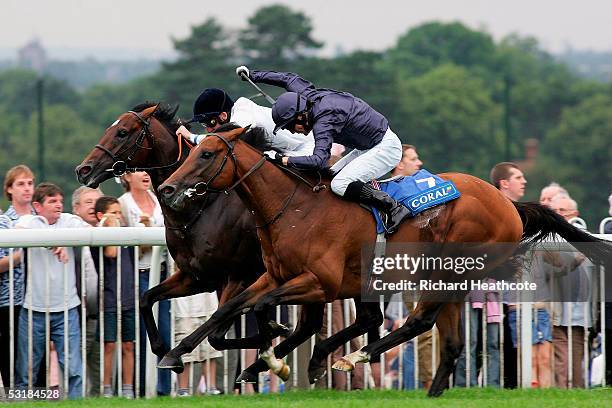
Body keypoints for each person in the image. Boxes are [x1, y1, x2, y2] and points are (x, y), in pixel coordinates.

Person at [235, 66, 409, 234]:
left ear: (300, 116)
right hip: (368, 146)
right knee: (330, 176)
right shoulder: (307, 97)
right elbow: (288, 78)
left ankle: (394, 207)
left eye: (289, 126)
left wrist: (284, 160)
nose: (292, 131)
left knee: (340, 184)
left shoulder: (323, 122)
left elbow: (319, 160)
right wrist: (252, 74)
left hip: (385, 148)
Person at [14, 183, 88, 399]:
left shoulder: (70, 221)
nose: (58, 205)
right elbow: (18, 233)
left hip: (68, 308)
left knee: (74, 369)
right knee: (27, 369)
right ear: (37, 205)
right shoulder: (28, 220)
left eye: (60, 200)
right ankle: (21, 404)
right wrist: (53, 243)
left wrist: (64, 242)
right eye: (52, 201)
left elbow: (91, 233)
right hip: (33, 309)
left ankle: (77, 404)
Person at [117, 171, 170, 396]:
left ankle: (164, 389)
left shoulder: (158, 197)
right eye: (139, 170)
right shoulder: (122, 204)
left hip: (164, 273)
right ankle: (141, 388)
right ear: (127, 177)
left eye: (146, 169)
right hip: (138, 274)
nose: (146, 174)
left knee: (165, 332)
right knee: (142, 334)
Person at [176, 88, 314, 157]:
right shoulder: (240, 112)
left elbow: (220, 139)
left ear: (223, 116)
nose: (208, 130)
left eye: (209, 124)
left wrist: (190, 136)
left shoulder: (243, 116)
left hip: (308, 149)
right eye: (203, 125)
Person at [93, 196, 136, 399]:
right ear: (101, 216)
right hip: (109, 299)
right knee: (109, 345)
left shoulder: (126, 234)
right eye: (114, 213)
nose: (119, 217)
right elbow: (110, 253)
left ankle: (128, 389)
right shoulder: (101, 235)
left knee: (129, 344)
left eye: (120, 213)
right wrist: (109, 226)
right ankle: (106, 388)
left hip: (128, 297)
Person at [549, 194, 592, 388]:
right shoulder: (549, 239)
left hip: (582, 309)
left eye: (562, 211)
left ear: (575, 214)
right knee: (561, 356)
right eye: (554, 211)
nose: (558, 215)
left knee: (578, 354)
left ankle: (577, 390)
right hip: (557, 307)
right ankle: (561, 391)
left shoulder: (588, 238)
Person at [490, 162, 525, 388]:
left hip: (512, 295)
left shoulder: (520, 212)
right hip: (490, 293)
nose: (524, 182)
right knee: (488, 344)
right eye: (519, 178)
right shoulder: (495, 212)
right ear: (504, 183)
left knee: (510, 345)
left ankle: (510, 385)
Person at [71, 186, 102, 396]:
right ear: (76, 208)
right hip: (80, 310)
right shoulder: (72, 230)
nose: (94, 206)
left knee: (100, 364)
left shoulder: (112, 228)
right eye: (88, 202)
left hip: (106, 309)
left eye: (97, 201)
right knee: (79, 358)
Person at [174, 289, 223, 397]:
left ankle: (211, 387)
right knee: (184, 350)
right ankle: (183, 390)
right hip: (183, 308)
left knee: (210, 349)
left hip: (208, 304)